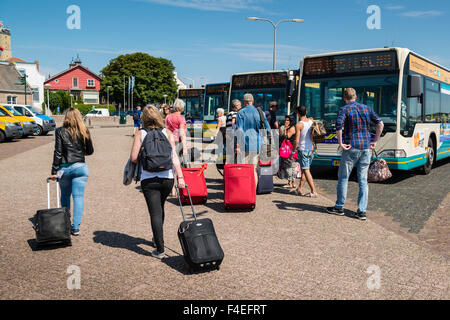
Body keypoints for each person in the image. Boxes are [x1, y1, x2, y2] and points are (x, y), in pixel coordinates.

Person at [130, 105, 185, 259]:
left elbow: (134, 158)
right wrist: (180, 177)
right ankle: (157, 238)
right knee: (160, 208)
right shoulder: (167, 132)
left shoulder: (141, 133)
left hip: (149, 178)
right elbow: (174, 157)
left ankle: (160, 249)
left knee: (155, 212)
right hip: (166, 177)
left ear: (144, 118)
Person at [326, 88, 384, 220]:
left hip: (351, 147)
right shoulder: (366, 108)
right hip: (365, 148)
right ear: (356, 96)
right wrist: (375, 140)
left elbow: (339, 127)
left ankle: (339, 207)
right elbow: (380, 123)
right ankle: (362, 211)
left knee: (343, 178)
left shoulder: (344, 109)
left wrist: (340, 143)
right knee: (363, 180)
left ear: (344, 98)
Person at [49, 108, 94, 236]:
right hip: (80, 167)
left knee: (65, 196)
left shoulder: (60, 131)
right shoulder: (84, 130)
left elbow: (58, 152)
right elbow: (90, 151)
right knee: (78, 197)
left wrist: (54, 170)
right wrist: (80, 151)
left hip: (64, 168)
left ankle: (65, 223)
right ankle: (76, 227)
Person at [235, 93, 271, 186]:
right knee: (253, 170)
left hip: (245, 145)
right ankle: (252, 194)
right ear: (253, 101)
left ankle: (245, 192)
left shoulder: (241, 113)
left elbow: (239, 130)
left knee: (244, 169)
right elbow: (267, 129)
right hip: (258, 144)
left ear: (243, 102)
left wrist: (237, 144)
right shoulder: (261, 112)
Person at [292, 106, 318, 198]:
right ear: (306, 112)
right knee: (305, 170)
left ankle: (313, 191)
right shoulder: (311, 122)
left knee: (306, 171)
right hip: (311, 150)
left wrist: (292, 151)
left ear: (298, 114)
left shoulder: (299, 124)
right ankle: (299, 189)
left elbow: (296, 141)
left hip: (303, 150)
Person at [279, 115, 296, 189]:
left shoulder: (292, 128)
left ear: (291, 121)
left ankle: (290, 182)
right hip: (290, 148)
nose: (286, 122)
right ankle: (292, 182)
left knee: (289, 166)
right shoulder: (290, 127)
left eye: (287, 120)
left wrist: (285, 129)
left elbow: (286, 136)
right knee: (292, 166)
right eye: (285, 120)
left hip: (289, 149)